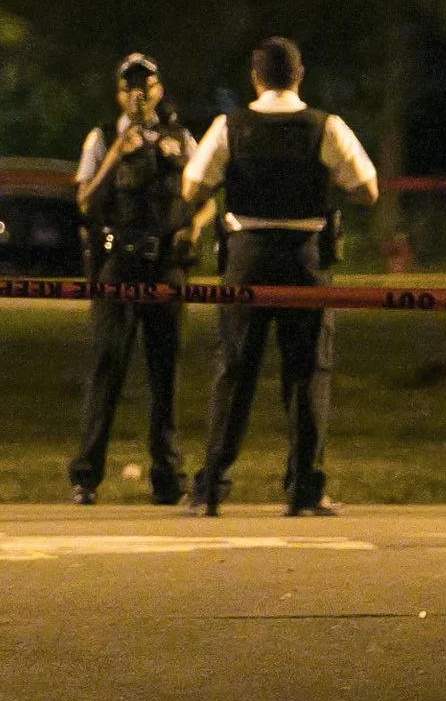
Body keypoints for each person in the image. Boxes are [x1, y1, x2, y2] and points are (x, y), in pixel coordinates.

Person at [180, 37, 379, 517]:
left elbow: (192, 186)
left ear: (255, 77)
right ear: (299, 74)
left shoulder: (230, 126)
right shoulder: (325, 127)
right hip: (305, 261)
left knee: (234, 372)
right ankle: (304, 489)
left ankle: (210, 487)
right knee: (308, 373)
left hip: (246, 258)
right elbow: (367, 189)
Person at [68, 54, 194, 506]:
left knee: (166, 375)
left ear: (160, 88)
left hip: (165, 266)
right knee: (107, 370)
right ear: (118, 93)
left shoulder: (180, 137)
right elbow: (84, 200)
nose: (138, 94)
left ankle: (168, 476)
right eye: (129, 87)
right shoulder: (102, 137)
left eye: (147, 85)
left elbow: (203, 192)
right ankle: (86, 476)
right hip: (117, 265)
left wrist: (193, 227)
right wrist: (117, 154)